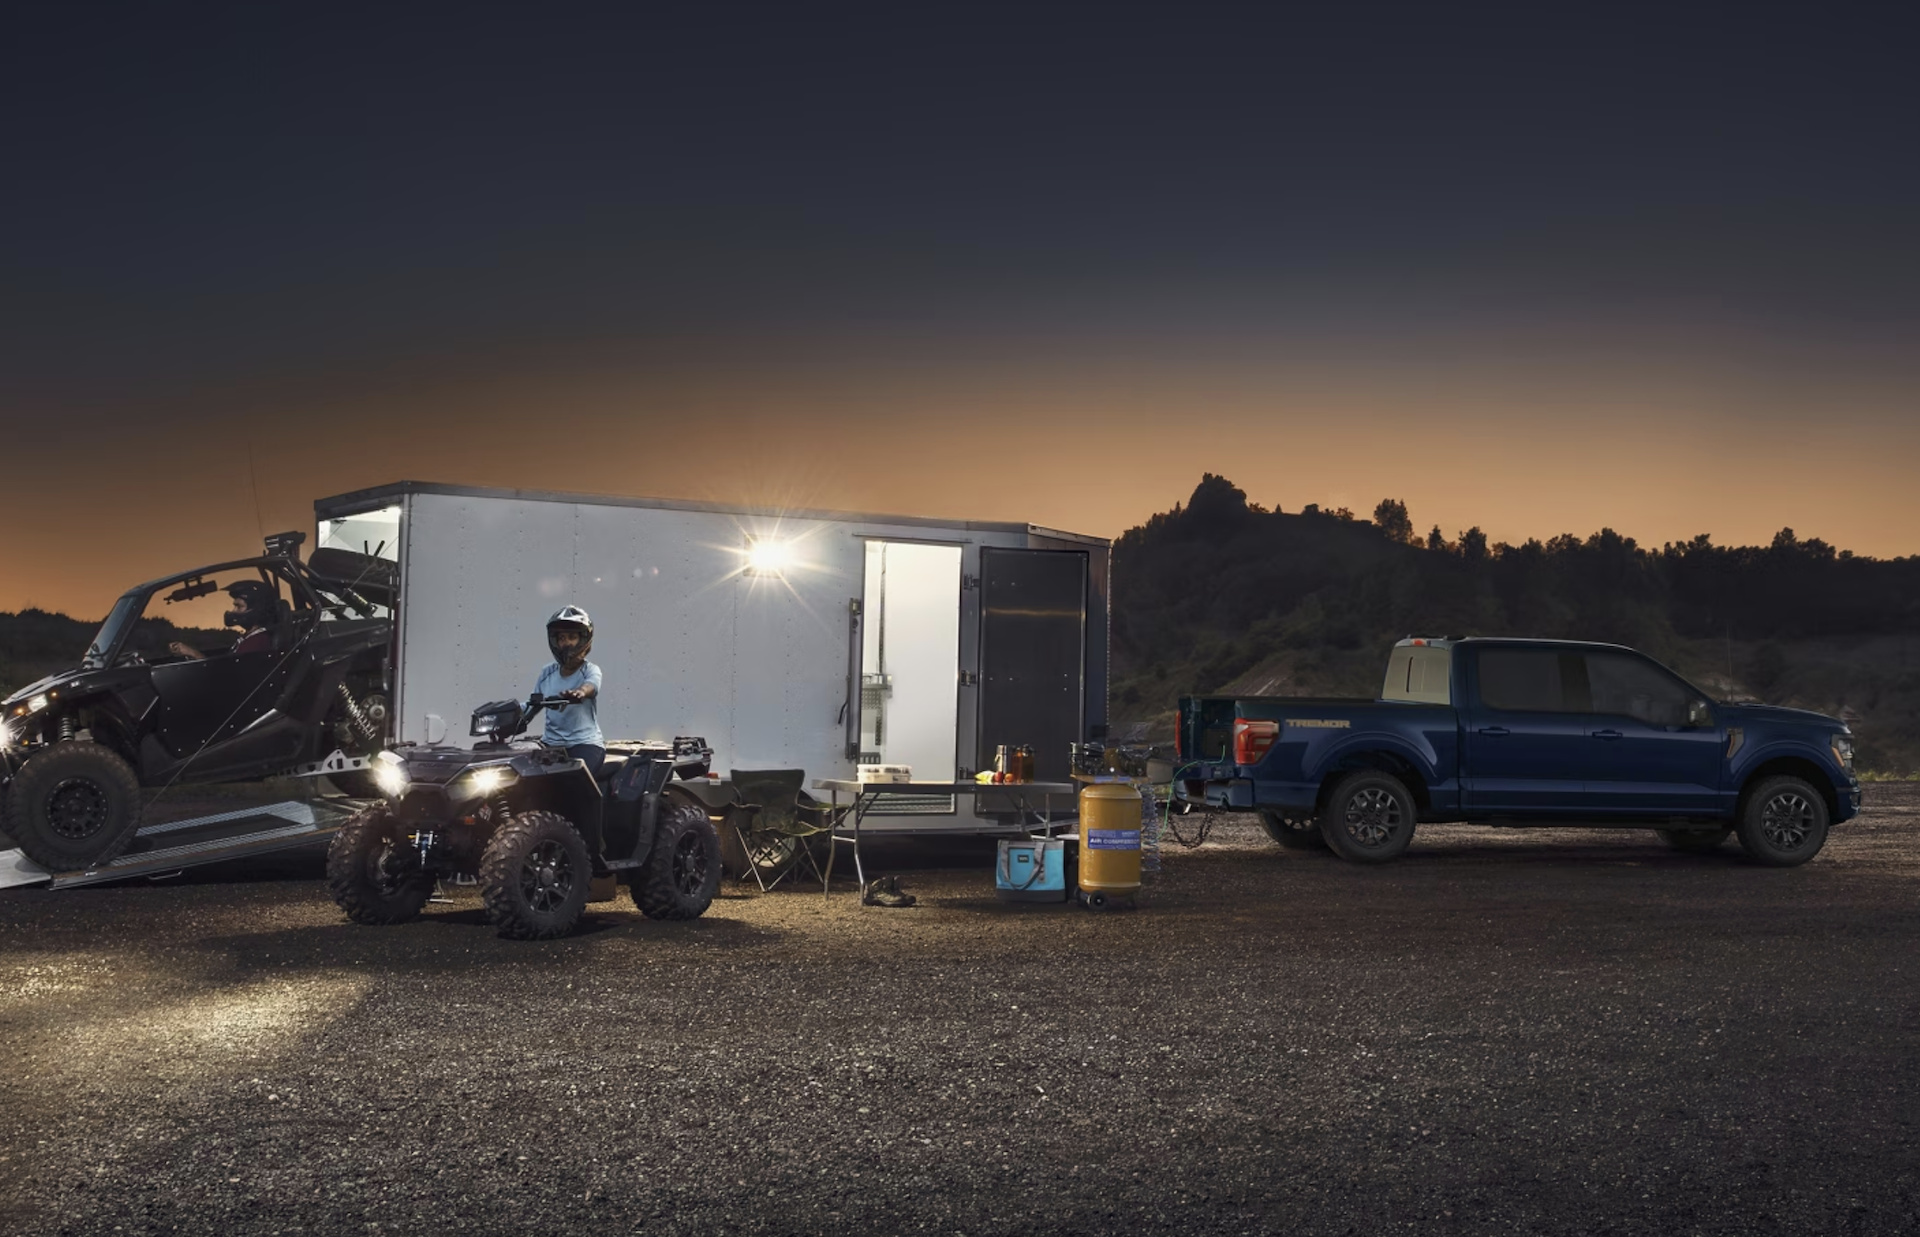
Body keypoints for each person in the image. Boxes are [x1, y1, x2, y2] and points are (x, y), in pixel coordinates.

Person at [534, 605, 604, 777]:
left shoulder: (590, 670)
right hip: (550, 745)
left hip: (585, 744)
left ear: (583, 639)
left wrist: (579, 692)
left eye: (572, 637)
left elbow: (592, 686)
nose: (566, 643)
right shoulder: (547, 672)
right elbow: (533, 702)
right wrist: (507, 713)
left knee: (573, 783)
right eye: (562, 638)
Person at [169, 580, 278, 661]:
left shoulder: (257, 642)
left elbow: (226, 676)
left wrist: (194, 653)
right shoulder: (247, 638)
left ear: (256, 610)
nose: (233, 611)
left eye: (239, 606)